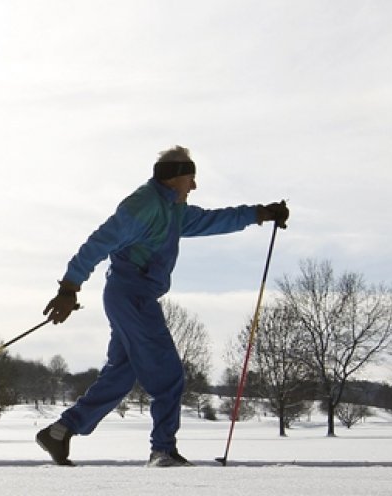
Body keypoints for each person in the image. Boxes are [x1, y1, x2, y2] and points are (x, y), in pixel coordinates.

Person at [36, 146, 288, 467]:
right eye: (191, 179)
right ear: (173, 179)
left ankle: (59, 432)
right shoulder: (143, 206)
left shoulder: (173, 210)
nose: (194, 187)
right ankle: (162, 450)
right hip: (133, 294)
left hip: (131, 295)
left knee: (121, 376)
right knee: (168, 376)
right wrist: (69, 288)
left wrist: (261, 213)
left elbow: (213, 220)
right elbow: (99, 242)